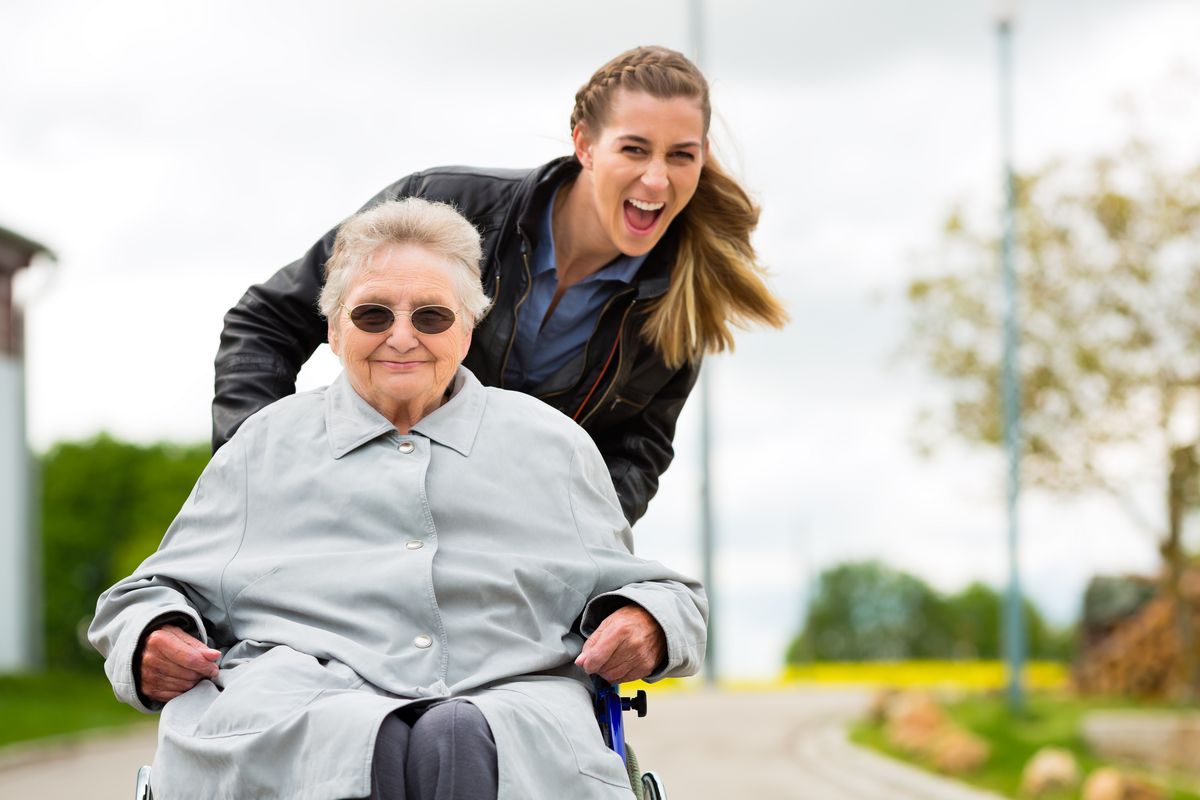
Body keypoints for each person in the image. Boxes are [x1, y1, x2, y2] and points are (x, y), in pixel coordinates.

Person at [90, 198, 707, 800]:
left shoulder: (551, 444)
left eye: (432, 316)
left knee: (461, 736)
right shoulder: (265, 444)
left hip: (507, 694)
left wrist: (646, 622)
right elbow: (146, 594)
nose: (402, 337)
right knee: (359, 739)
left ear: (468, 330)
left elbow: (664, 593)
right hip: (302, 697)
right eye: (373, 316)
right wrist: (153, 633)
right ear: (333, 331)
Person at [214, 45, 788, 526]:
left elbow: (634, 455)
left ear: (702, 157)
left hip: (498, 556)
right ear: (584, 144)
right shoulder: (445, 203)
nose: (656, 178)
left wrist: (570, 553)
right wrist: (262, 477)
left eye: (680, 156)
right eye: (633, 149)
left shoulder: (683, 303)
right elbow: (265, 323)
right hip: (360, 512)